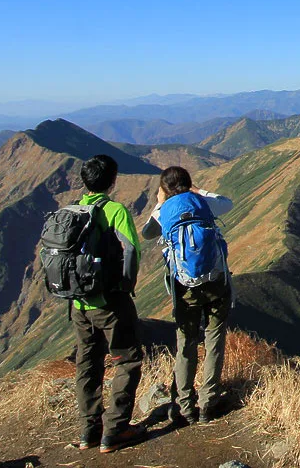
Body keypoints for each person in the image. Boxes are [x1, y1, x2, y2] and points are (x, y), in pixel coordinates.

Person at [142, 166, 234, 425]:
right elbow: (227, 203)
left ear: (164, 188)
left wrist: (159, 203)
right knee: (214, 339)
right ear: (189, 183)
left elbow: (147, 233)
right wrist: (199, 191)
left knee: (186, 342)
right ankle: (208, 403)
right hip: (216, 282)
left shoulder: (164, 211)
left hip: (184, 288)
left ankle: (185, 405)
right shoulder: (202, 202)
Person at [71, 154, 145, 453]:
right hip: (110, 302)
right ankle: (115, 430)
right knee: (127, 360)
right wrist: (125, 287)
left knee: (87, 364)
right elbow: (131, 251)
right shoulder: (115, 211)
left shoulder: (72, 211)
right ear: (112, 182)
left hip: (79, 305)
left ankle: (89, 431)